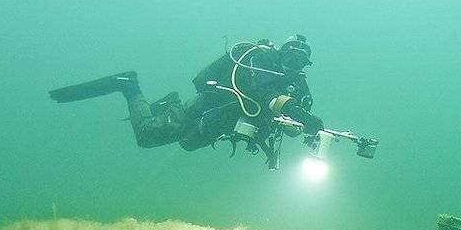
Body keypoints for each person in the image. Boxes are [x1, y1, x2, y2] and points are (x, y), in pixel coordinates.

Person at [48, 36, 324, 169]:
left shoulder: (297, 85)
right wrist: (292, 109)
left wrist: (310, 129)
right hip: (206, 107)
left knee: (187, 143)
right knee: (147, 136)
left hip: (222, 124)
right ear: (280, 55)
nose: (292, 66)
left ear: (305, 65)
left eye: (299, 63)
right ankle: (130, 86)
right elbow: (262, 93)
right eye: (290, 59)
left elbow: (296, 114)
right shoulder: (259, 61)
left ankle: (169, 105)